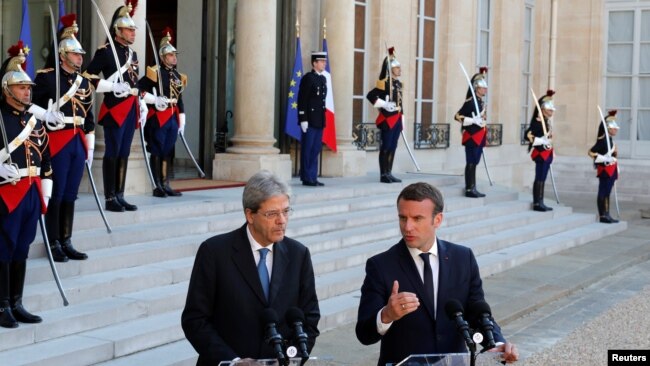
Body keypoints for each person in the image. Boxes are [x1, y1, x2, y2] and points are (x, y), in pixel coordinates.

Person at [355, 182, 519, 365]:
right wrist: (386, 315)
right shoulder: (381, 265)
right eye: (403, 218)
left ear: (438, 220)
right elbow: (364, 334)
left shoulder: (463, 258)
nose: (407, 227)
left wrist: (496, 343)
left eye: (417, 218)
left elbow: (478, 312)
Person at [181, 170, 320, 364]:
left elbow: (310, 318)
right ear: (250, 215)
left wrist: (291, 358)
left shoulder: (299, 254)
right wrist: (233, 361)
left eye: (286, 211)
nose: (282, 220)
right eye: (272, 213)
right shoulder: (214, 252)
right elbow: (195, 320)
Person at [0, 41, 54, 328]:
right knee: (4, 248)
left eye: (29, 87)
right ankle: (2, 304)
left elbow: (46, 160)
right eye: (22, 87)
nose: (27, 91)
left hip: (31, 191)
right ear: (7, 89)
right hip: (6, 193)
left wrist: (46, 192)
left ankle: (17, 302)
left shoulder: (35, 122)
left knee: (22, 247)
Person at [32, 14, 92, 262]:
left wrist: (89, 143)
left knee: (70, 193)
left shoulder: (83, 81)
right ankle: (53, 241)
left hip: (77, 140)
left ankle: (66, 239)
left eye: (80, 54)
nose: (80, 58)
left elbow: (89, 115)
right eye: (76, 54)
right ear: (63, 55)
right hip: (57, 140)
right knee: (56, 193)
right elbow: (29, 108)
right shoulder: (46, 77)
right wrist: (46, 115)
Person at [85, 2, 142, 212]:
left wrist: (140, 103)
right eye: (128, 29)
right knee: (113, 152)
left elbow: (134, 81)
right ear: (118, 31)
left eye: (133, 30)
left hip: (130, 107)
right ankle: (109, 197)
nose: (133, 33)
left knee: (124, 152)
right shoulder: (105, 52)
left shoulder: (132, 55)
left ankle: (120, 194)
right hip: (114, 108)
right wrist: (111, 86)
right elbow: (88, 76)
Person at [138, 28, 185, 198]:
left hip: (172, 115)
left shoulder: (177, 75)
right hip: (159, 115)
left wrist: (182, 118)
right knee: (157, 149)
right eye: (171, 55)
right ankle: (156, 184)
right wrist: (153, 99)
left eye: (175, 55)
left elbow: (179, 98)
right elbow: (139, 89)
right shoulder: (154, 73)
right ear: (163, 57)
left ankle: (166, 183)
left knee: (168, 150)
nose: (174, 58)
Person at [366, 47, 403, 183]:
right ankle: (383, 174)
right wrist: (384, 104)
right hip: (388, 119)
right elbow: (370, 96)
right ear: (390, 68)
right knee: (386, 146)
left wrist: (402, 116)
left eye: (399, 67)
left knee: (393, 146)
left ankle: (389, 172)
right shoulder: (384, 83)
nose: (399, 69)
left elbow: (400, 102)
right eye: (397, 67)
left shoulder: (398, 84)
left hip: (397, 118)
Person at [455, 67, 488, 198]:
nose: (485, 89)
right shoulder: (470, 102)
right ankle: (469, 188)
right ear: (476, 88)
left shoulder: (480, 102)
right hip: (471, 137)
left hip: (479, 136)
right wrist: (472, 120)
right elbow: (457, 116)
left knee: (475, 162)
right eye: (482, 87)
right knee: (471, 162)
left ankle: (473, 187)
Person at [297, 51, 327, 187]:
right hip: (309, 119)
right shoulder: (308, 78)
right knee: (307, 149)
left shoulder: (322, 79)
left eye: (324, 61)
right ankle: (306, 177)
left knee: (315, 149)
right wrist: (303, 118)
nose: (324, 63)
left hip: (319, 119)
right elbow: (302, 99)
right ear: (314, 63)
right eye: (321, 61)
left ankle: (313, 176)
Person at [525, 90, 556, 212]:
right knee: (539, 177)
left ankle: (541, 201)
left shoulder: (546, 122)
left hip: (547, 153)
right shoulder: (537, 122)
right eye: (550, 110)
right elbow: (527, 135)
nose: (552, 111)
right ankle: (537, 202)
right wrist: (540, 141)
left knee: (543, 178)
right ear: (543, 109)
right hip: (540, 154)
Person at [588, 110, 620, 224]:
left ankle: (607, 214)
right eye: (613, 127)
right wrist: (605, 159)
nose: (615, 129)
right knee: (603, 192)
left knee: (607, 193)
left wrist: (614, 154)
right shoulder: (602, 140)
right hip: (605, 170)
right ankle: (603, 215)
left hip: (611, 169)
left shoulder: (609, 140)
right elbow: (591, 152)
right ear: (607, 128)